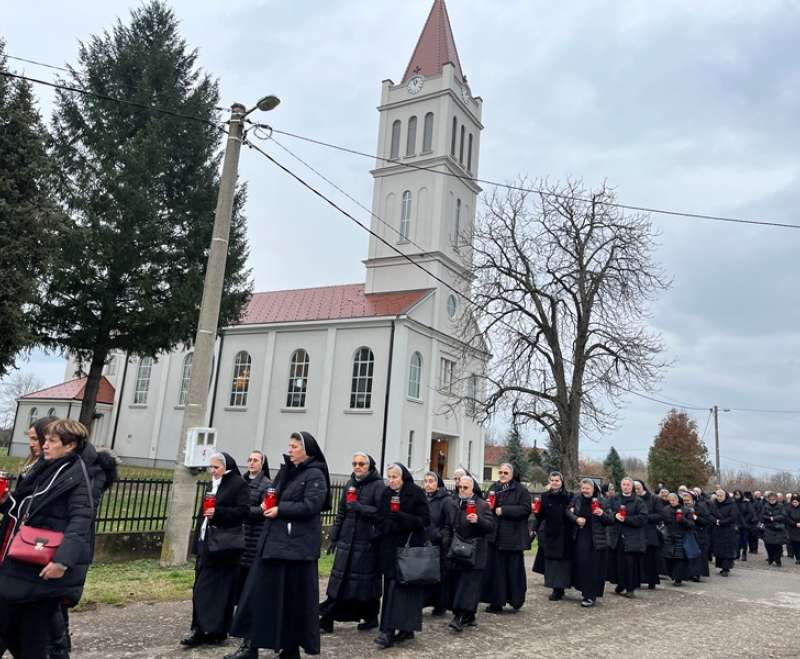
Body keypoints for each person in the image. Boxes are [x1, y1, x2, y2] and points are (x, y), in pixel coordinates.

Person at [230, 431, 331, 659]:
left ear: (307, 450)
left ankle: (290, 647)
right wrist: (268, 504)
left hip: (296, 549)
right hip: (274, 543)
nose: (290, 449)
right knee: (260, 595)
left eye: (295, 446)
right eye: (290, 445)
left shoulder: (315, 474)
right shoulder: (287, 471)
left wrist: (280, 510)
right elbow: (274, 494)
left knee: (292, 600)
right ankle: (251, 645)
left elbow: (311, 506)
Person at [0, 419, 95, 659]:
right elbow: (26, 509)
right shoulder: (45, 469)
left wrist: (62, 562)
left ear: (70, 445)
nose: (45, 445)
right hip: (22, 562)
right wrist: (4, 502)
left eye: (52, 441)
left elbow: (81, 522)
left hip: (43, 568)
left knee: (33, 640)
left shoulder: (76, 477)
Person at [182, 452, 248, 650]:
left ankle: (216, 630)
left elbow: (243, 511)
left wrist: (218, 512)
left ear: (226, 467)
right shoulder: (212, 484)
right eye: (210, 467)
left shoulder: (238, 484)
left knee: (222, 591)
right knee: (201, 588)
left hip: (225, 546)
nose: (212, 471)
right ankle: (199, 628)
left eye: (216, 467)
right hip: (207, 543)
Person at [319, 453, 385, 634]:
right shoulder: (350, 484)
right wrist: (334, 537)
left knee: (363, 585)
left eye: (361, 464)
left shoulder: (378, 485)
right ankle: (328, 620)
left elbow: (382, 513)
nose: (357, 466)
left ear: (369, 466)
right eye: (354, 463)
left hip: (366, 543)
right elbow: (341, 512)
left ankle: (370, 617)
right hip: (347, 542)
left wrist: (360, 508)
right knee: (341, 583)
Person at [373, 463, 430, 650]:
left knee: (405, 591)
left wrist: (402, 517)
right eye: (389, 477)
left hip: (408, 549)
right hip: (389, 549)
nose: (391, 480)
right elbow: (379, 518)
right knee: (390, 590)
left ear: (403, 477)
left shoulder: (415, 493)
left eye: (395, 477)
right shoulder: (386, 493)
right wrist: (386, 525)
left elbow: (424, 521)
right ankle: (387, 630)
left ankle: (405, 627)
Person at [225, 451, 271, 659]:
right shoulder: (241, 482)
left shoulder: (267, 485)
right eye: (250, 460)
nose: (251, 463)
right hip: (238, 535)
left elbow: (264, 512)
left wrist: (248, 512)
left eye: (256, 460)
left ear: (263, 464)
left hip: (254, 538)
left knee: (248, 583)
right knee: (236, 581)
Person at [443, 474, 494, 632]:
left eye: (466, 488)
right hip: (456, 549)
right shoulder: (452, 503)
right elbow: (447, 525)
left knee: (469, 585)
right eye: (460, 487)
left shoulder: (482, 505)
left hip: (475, 550)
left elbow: (491, 527)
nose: (462, 490)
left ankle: (459, 617)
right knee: (457, 583)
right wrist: (446, 541)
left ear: (472, 488)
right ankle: (469, 615)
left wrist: (478, 521)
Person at [481, 463, 531, 613]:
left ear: (512, 474)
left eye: (506, 472)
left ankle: (515, 600)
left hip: (513, 538)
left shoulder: (521, 490)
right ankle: (496, 602)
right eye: (501, 472)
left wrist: (505, 510)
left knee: (512, 571)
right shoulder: (493, 488)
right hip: (495, 537)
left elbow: (526, 509)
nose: (502, 475)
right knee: (495, 572)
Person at [567, 479, 612, 607]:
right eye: (583, 488)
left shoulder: (602, 501)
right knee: (583, 566)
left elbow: (610, 520)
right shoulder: (577, 499)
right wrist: (576, 519)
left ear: (593, 489)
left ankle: (590, 596)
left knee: (593, 568)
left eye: (587, 488)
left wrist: (601, 513)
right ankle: (585, 592)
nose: (585, 490)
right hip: (581, 537)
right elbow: (567, 511)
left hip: (596, 540)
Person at [533, 471, 573, 601]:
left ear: (562, 482)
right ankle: (554, 587)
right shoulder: (544, 496)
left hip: (565, 532)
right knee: (551, 562)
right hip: (550, 532)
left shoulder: (569, 496)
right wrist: (536, 513)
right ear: (549, 482)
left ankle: (560, 588)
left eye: (557, 480)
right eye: (552, 480)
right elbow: (541, 516)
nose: (554, 483)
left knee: (562, 563)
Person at [606, 476, 647, 597]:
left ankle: (630, 588)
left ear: (632, 487)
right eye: (624, 484)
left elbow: (643, 518)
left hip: (632, 538)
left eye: (628, 485)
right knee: (617, 562)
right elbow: (607, 510)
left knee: (630, 564)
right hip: (616, 536)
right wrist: (615, 515)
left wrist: (626, 519)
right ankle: (620, 583)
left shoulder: (638, 501)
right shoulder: (614, 499)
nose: (626, 487)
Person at [422, 470, 454, 617]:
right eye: (426, 481)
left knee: (440, 576)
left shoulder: (445, 500)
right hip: (423, 543)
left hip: (439, 545)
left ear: (437, 483)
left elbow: (449, 524)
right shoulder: (422, 498)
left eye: (431, 481)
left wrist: (441, 537)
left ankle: (439, 605)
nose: (428, 484)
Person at [661, 492, 694, 586]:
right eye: (670, 500)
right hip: (669, 537)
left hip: (682, 537)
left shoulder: (686, 510)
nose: (672, 502)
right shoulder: (665, 510)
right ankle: (672, 575)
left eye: (673, 500)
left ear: (677, 499)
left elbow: (691, 524)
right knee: (669, 558)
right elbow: (663, 522)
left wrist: (682, 519)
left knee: (679, 559)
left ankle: (678, 579)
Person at [634, 480, 662, 590]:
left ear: (643, 487)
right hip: (636, 532)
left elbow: (660, 515)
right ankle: (637, 580)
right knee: (637, 559)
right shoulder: (632, 500)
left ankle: (652, 581)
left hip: (650, 532)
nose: (636, 490)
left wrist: (645, 517)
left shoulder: (654, 499)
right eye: (634, 488)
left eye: (638, 487)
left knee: (651, 559)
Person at [709, 488, 738, 576]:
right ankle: (721, 566)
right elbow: (710, 514)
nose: (719, 497)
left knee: (727, 550)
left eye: (721, 496)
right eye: (718, 496)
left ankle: (726, 568)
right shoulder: (714, 504)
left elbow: (733, 517)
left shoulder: (731, 504)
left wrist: (721, 522)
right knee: (719, 549)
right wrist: (715, 521)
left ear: (725, 496)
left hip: (728, 529)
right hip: (717, 530)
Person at [686, 490, 711, 581]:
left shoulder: (701, 507)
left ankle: (697, 574)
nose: (686, 500)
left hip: (699, 533)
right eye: (684, 498)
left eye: (688, 498)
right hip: (687, 533)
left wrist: (696, 518)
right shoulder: (682, 507)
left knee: (698, 555)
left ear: (693, 499)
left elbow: (706, 521)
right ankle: (688, 573)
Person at [760, 491, 787, 567]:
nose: (772, 501)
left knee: (778, 545)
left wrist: (774, 518)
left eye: (773, 499)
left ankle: (778, 560)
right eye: (770, 499)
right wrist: (769, 518)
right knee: (768, 544)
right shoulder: (765, 506)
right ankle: (771, 557)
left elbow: (783, 516)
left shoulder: (781, 506)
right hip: (768, 528)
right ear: (768, 499)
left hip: (778, 528)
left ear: (776, 499)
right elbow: (762, 516)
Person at [733, 489, 755, 562]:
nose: (737, 496)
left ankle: (744, 553)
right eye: (735, 494)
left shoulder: (746, 502)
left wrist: (745, 521)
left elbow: (751, 513)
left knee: (744, 539)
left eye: (738, 494)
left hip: (745, 523)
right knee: (736, 540)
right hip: (736, 523)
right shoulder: (733, 503)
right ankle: (737, 553)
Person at [786, 495, 800, 565]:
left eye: (796, 502)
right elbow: (787, 518)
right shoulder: (789, 509)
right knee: (795, 544)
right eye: (793, 502)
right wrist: (795, 524)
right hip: (792, 529)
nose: (794, 503)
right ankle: (798, 558)